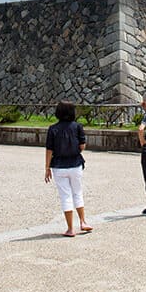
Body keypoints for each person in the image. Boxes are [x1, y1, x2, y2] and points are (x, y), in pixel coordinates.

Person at [45, 101, 92, 237]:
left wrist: (47, 168)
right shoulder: (77, 127)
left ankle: (70, 228)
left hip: (59, 166)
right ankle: (83, 222)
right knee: (77, 192)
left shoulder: (53, 129)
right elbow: (82, 146)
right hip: (75, 163)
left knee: (65, 196)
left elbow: (49, 150)